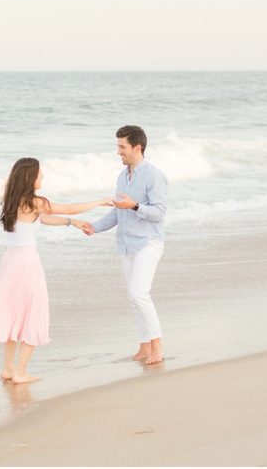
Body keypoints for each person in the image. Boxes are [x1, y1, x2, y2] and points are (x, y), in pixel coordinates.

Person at [0, 157, 113, 384]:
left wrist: (70, 223)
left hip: (10, 262)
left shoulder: (13, 201)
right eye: (40, 174)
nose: (43, 177)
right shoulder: (36, 201)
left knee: (13, 314)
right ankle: (21, 373)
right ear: (30, 177)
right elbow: (69, 207)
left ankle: (7, 370)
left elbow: (42, 219)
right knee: (33, 313)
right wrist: (99, 202)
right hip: (27, 263)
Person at [74, 125, 168, 364]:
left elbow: (158, 213)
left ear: (137, 147)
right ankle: (144, 347)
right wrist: (95, 227)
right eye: (118, 147)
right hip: (126, 245)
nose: (118, 152)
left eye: (122, 147)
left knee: (139, 293)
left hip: (148, 242)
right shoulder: (121, 177)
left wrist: (136, 206)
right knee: (133, 296)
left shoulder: (154, 175)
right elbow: (118, 213)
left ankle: (158, 347)